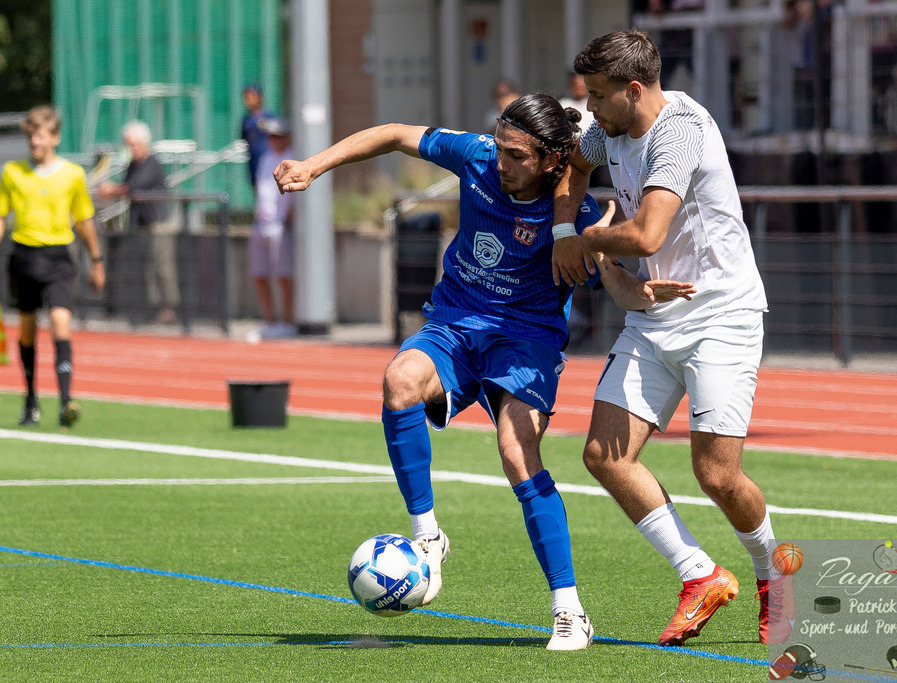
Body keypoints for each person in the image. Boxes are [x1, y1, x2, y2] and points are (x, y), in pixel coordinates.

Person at [275, 93, 694, 650]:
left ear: (551, 160)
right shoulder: (475, 158)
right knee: (399, 381)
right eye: (499, 147)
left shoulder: (578, 218)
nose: (501, 162)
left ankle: (569, 609)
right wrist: (312, 166)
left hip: (526, 342)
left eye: (516, 155)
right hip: (455, 324)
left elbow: (612, 282)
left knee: (517, 454)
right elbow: (395, 132)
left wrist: (640, 293)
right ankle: (428, 537)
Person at [552, 30, 787, 646]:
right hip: (656, 314)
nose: (590, 111)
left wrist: (588, 241)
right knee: (604, 454)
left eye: (599, 97)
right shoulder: (609, 128)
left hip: (722, 318)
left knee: (717, 476)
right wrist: (560, 231)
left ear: (635, 90)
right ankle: (699, 574)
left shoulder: (679, 130)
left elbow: (649, 234)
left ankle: (775, 578)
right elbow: (577, 162)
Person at [0, 105, 105, 428]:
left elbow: (84, 219)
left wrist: (97, 261)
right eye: (31, 136)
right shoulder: (12, 172)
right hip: (23, 257)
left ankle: (65, 402)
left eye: (41, 136)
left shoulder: (73, 174)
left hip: (59, 257)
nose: (35, 142)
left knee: (61, 323)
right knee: (28, 331)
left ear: (55, 138)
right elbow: (1, 216)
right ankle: (31, 400)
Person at [97, 120, 179, 325]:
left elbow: (132, 187)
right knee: (149, 268)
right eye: (128, 144)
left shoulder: (152, 163)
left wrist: (111, 190)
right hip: (142, 223)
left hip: (158, 223)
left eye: (134, 144)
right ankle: (154, 308)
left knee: (163, 267)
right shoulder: (133, 164)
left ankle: (169, 309)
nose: (130, 148)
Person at [251, 117, 296, 339]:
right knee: (259, 274)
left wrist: (287, 219)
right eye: (271, 136)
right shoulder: (266, 158)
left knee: (282, 275)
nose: (273, 140)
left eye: (277, 136)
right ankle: (269, 320)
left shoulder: (294, 157)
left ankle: (287, 321)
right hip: (261, 222)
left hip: (280, 225)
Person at [240, 82, 275, 188]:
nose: (248, 100)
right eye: (246, 97)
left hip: (269, 163)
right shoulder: (246, 120)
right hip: (254, 163)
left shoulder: (269, 117)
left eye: (252, 96)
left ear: (259, 97)